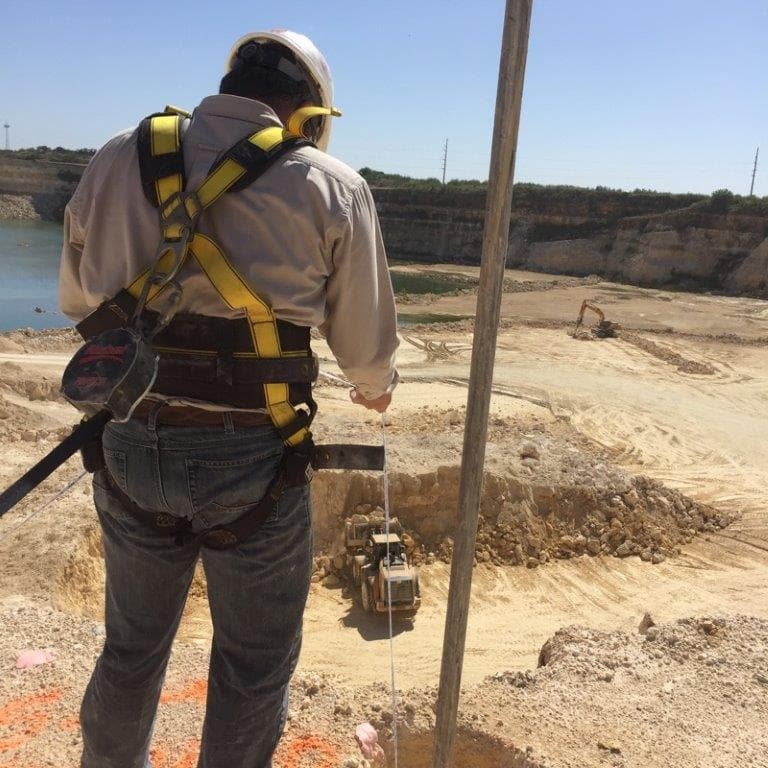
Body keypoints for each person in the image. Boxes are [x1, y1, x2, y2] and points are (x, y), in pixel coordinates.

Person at [59, 29, 398, 768]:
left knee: (131, 647)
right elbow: (365, 351)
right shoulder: (331, 186)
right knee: (251, 665)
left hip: (129, 441)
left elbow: (79, 298)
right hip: (252, 456)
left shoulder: (119, 155)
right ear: (308, 112)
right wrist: (374, 389)